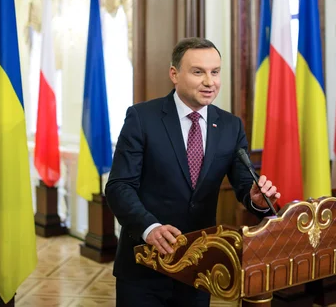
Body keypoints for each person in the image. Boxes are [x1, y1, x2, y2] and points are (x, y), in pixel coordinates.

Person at [105, 37, 281, 307]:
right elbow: (119, 186)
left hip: (199, 266)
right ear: (174, 74)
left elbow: (245, 183)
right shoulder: (142, 118)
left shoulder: (230, 125)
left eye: (215, 72)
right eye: (198, 72)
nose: (210, 82)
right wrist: (149, 227)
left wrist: (255, 197)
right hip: (145, 265)